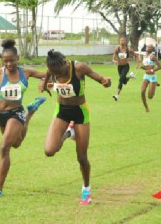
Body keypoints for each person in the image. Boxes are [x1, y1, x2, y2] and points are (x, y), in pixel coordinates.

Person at [40, 50, 111, 205]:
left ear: (65, 64)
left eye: (58, 73)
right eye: (53, 74)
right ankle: (68, 133)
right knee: (49, 150)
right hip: (62, 111)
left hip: (80, 112)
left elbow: (100, 79)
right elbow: (46, 78)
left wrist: (106, 82)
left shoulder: (79, 68)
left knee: (82, 157)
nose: (56, 76)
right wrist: (44, 85)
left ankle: (86, 189)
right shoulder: (52, 69)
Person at [0, 39, 47, 199]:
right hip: (1, 115)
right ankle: (30, 113)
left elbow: (49, 73)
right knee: (16, 144)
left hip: (16, 113)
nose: (9, 64)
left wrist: (43, 82)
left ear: (17, 58)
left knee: (4, 147)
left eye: (12, 60)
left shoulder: (26, 72)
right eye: (5, 61)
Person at [136, 44, 161, 112]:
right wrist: (142, 67)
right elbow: (146, 67)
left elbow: (160, 66)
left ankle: (155, 82)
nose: (148, 47)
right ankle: (146, 108)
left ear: (152, 49)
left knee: (150, 96)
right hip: (146, 76)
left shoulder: (152, 57)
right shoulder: (144, 56)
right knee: (142, 92)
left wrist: (152, 70)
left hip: (152, 77)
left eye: (150, 47)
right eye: (148, 46)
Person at [112, 37, 138, 101]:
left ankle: (117, 95)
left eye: (123, 40)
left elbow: (136, 55)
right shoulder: (117, 49)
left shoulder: (128, 50)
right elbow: (113, 58)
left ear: (125, 42)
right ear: (119, 42)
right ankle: (131, 76)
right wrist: (114, 61)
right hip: (119, 67)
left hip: (126, 66)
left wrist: (138, 62)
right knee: (124, 81)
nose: (122, 41)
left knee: (120, 79)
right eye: (121, 40)